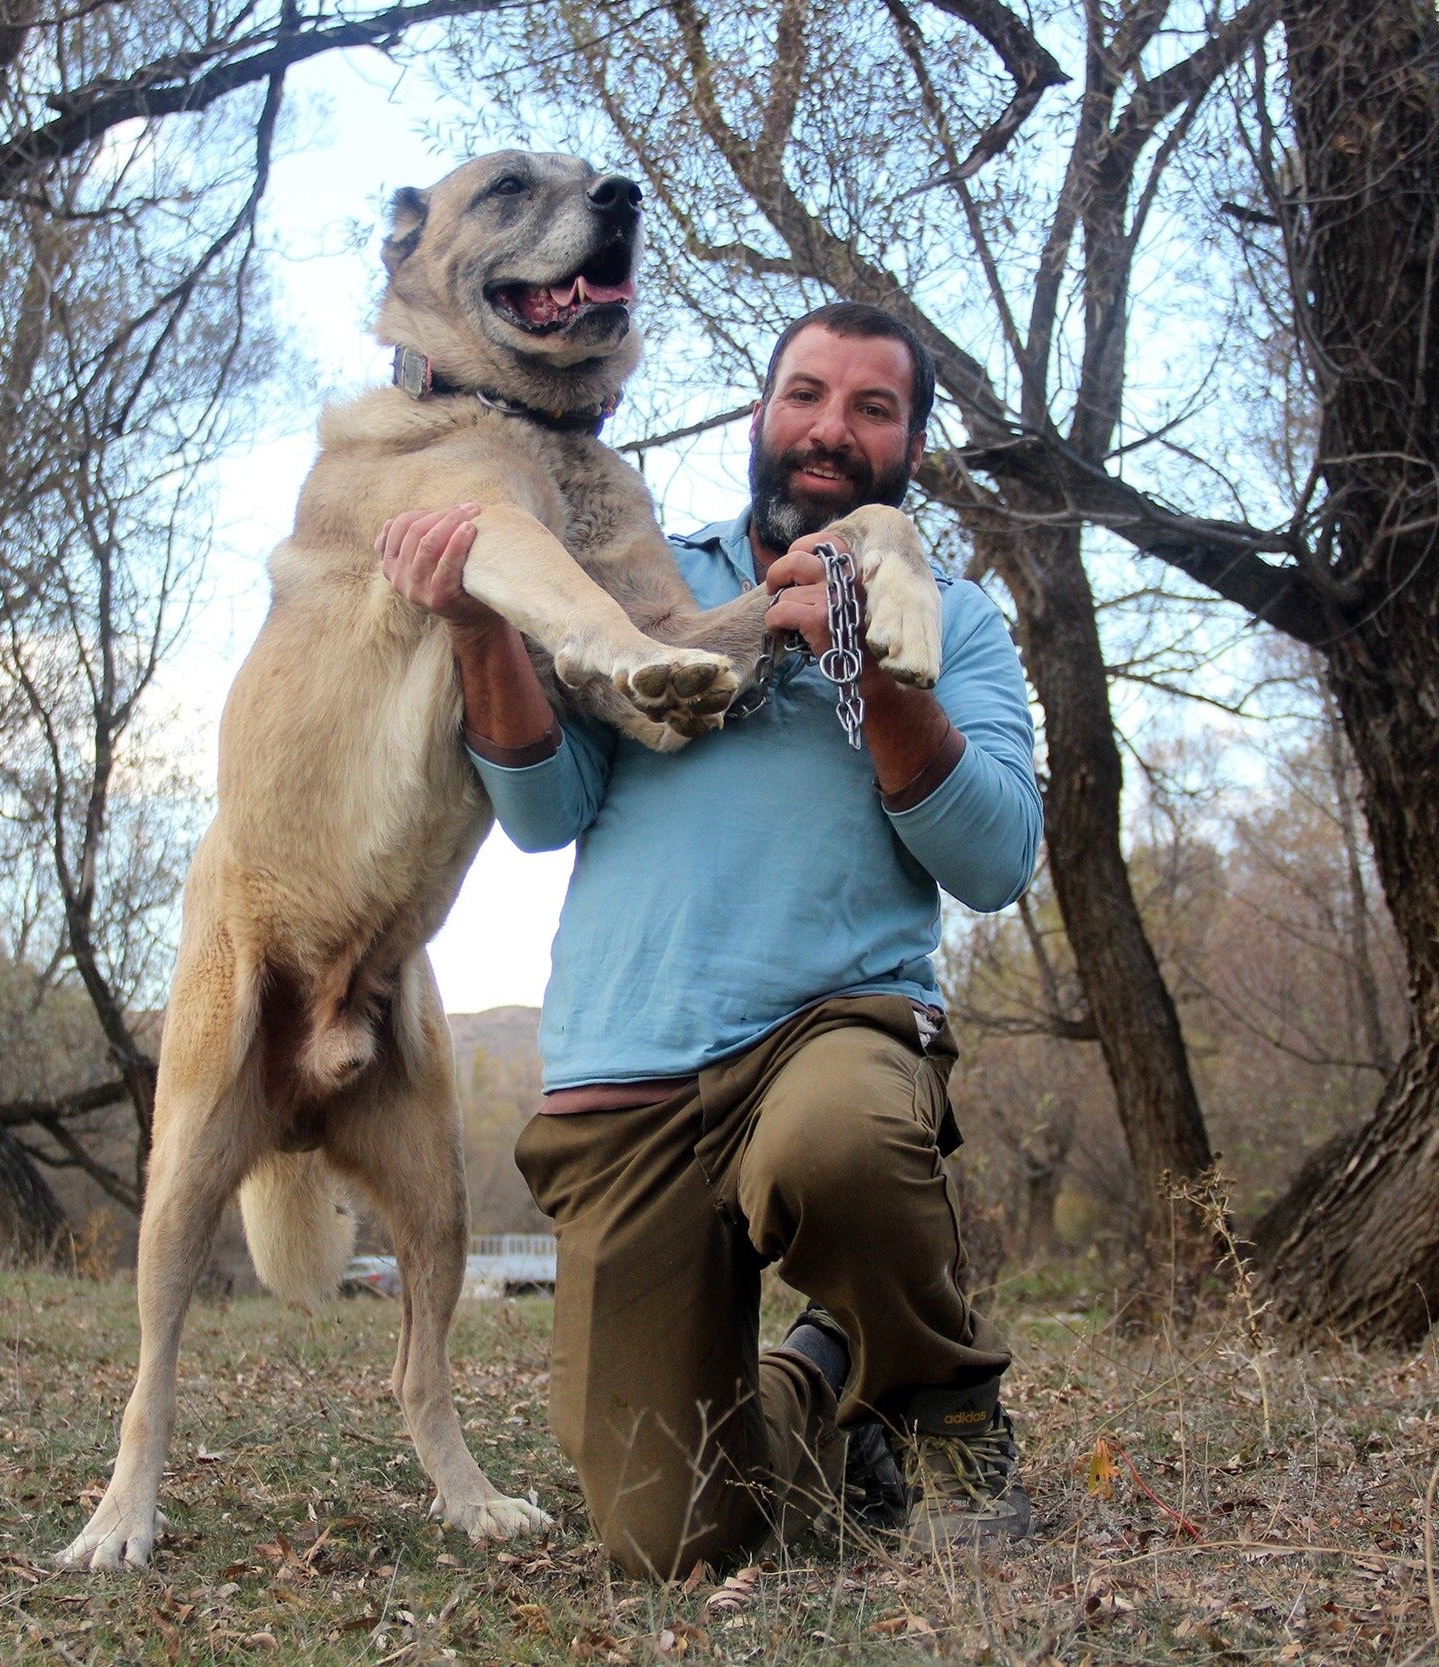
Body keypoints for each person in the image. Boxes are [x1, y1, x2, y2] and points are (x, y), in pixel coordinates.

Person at [376, 302, 1042, 1576]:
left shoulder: (950, 619)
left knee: (839, 1142)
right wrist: (477, 626)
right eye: (805, 395)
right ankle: (830, 1381)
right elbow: (542, 806)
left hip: (827, 1030)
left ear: (911, 445)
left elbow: (995, 856)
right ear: (760, 413)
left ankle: (950, 1410)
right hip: (624, 1081)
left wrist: (869, 668)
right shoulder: (636, 591)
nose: (830, 432)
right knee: (666, 1533)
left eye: (872, 408)